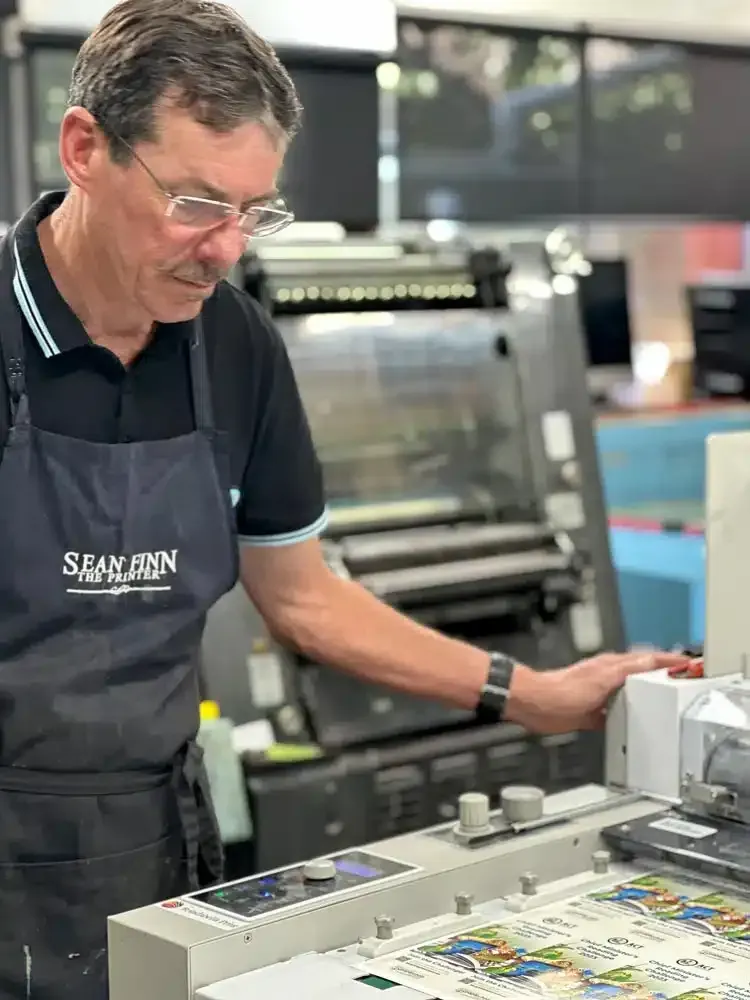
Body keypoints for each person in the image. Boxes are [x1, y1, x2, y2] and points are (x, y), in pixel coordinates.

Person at [0, 1, 691, 997]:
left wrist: (532, 692)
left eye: (255, 211)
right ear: (85, 148)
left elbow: (304, 597)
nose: (227, 247)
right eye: (197, 203)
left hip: (155, 841)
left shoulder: (232, 344)